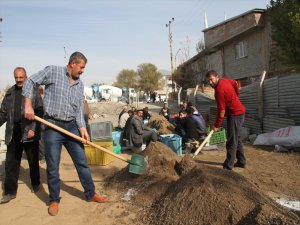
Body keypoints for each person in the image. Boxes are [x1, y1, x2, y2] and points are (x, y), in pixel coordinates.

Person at [22, 52, 108, 216]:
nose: (83, 71)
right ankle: (54, 199)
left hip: (71, 126)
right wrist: (28, 105)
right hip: (53, 125)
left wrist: (82, 129)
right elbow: (31, 80)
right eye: (82, 67)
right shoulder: (53, 71)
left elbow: (77, 111)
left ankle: (90, 194)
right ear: (73, 64)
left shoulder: (79, 84)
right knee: (53, 166)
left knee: (82, 162)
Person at [0, 67, 43, 204]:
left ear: (26, 77)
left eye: (21, 77)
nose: (19, 80)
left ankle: (35, 183)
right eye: (16, 77)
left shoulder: (33, 91)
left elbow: (40, 112)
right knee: (11, 163)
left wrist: (33, 129)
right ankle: (9, 192)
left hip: (29, 131)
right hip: (13, 131)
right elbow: (3, 113)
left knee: (32, 160)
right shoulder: (10, 93)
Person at [206, 70, 246, 170]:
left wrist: (216, 125)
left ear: (216, 77)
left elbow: (221, 111)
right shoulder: (224, 80)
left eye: (211, 79)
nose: (210, 83)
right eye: (208, 81)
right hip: (239, 112)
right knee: (237, 138)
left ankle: (228, 166)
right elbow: (235, 83)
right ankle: (241, 161)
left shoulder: (219, 90)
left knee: (232, 140)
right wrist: (236, 96)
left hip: (235, 114)